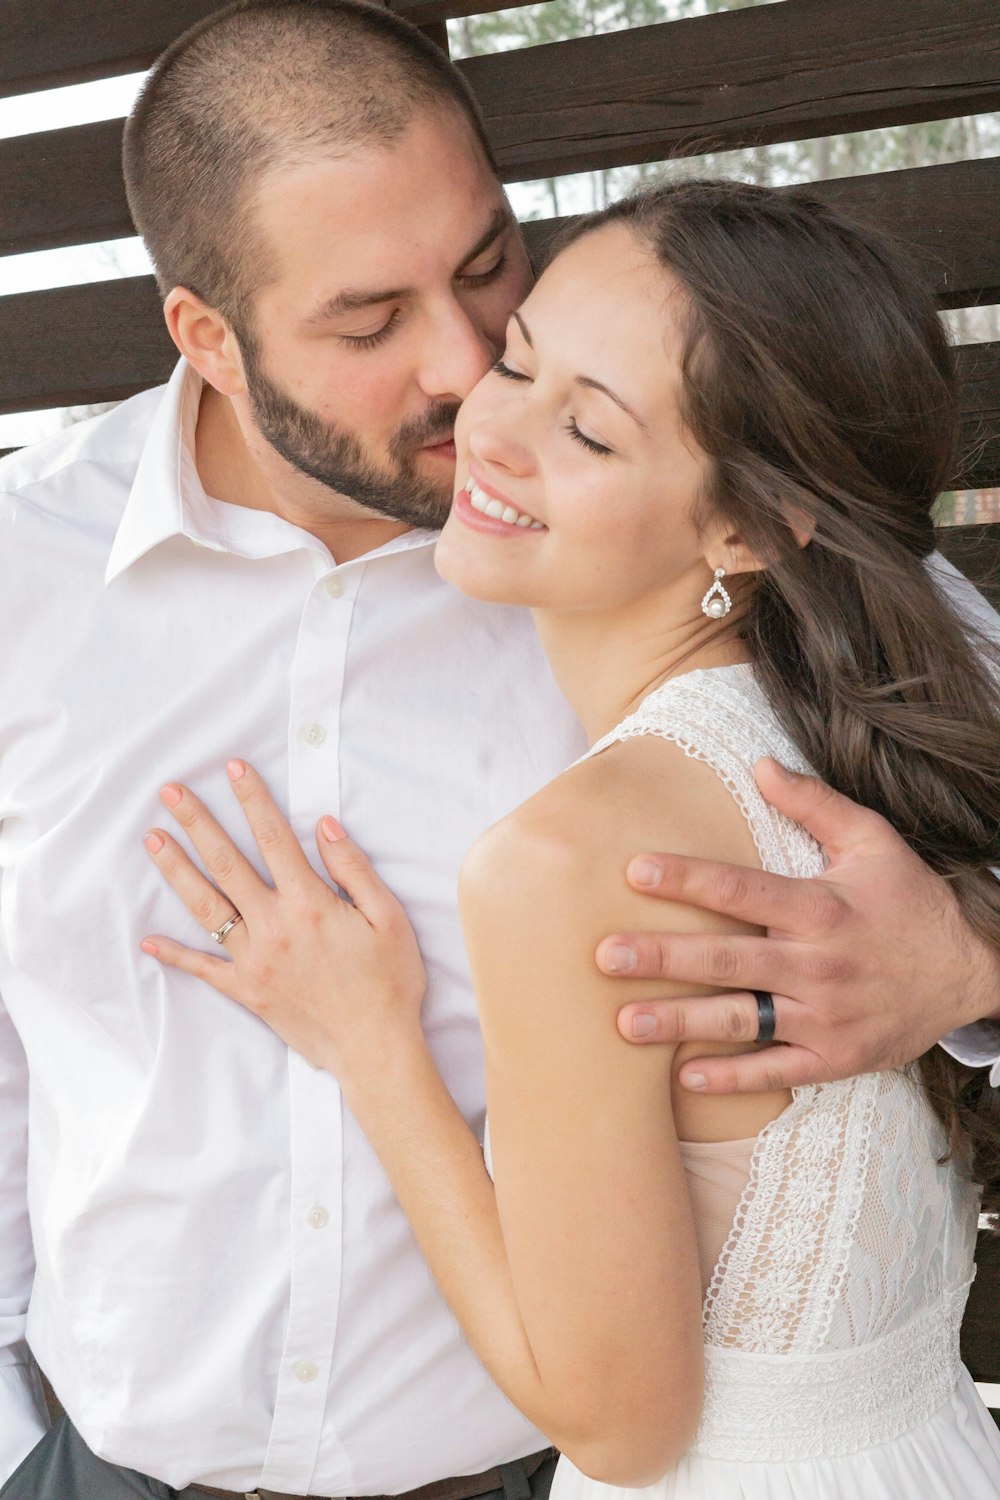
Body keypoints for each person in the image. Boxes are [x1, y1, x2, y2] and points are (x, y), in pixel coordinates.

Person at [0, 0, 996, 1493]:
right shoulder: (24, 575)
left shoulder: (653, 539)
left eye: (487, 274)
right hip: (105, 1467)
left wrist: (974, 961)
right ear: (208, 336)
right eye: (368, 320)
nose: (469, 369)